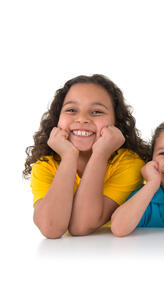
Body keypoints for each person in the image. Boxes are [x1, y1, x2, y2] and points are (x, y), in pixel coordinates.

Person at [24, 74, 150, 239]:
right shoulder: (45, 165)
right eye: (71, 110)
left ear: (116, 123)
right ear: (57, 119)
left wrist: (101, 153)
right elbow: (50, 228)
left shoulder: (129, 164)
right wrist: (69, 157)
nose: (82, 119)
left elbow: (80, 226)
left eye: (97, 111)